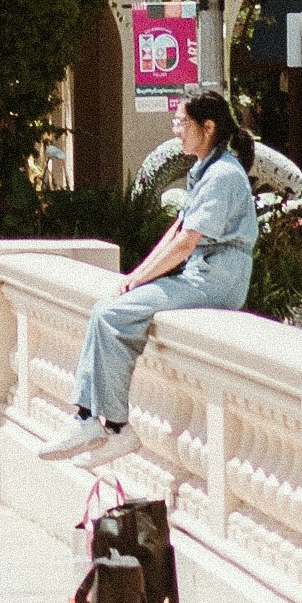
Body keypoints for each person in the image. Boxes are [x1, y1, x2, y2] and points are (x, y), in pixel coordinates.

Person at [48, 93, 257, 468]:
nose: (176, 131)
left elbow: (186, 242)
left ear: (207, 128)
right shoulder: (207, 169)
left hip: (216, 281)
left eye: (182, 123)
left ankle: (110, 426)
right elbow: (176, 231)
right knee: (107, 310)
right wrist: (136, 277)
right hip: (201, 274)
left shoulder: (224, 174)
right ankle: (90, 419)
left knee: (111, 314)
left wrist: (136, 281)